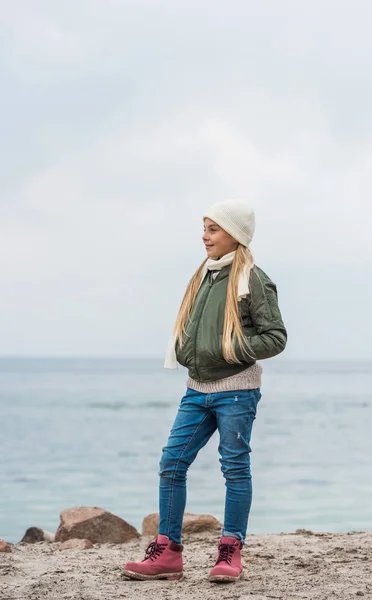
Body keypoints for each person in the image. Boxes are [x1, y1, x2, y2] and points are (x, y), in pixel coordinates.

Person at [123, 199, 287, 582]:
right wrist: (184, 349)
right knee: (172, 463)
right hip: (196, 390)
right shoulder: (205, 276)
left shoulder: (254, 279)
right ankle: (167, 553)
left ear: (235, 234)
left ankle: (229, 552)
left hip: (236, 391)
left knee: (234, 467)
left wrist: (232, 349)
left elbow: (275, 337)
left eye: (213, 229)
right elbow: (195, 330)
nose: (205, 236)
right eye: (204, 228)